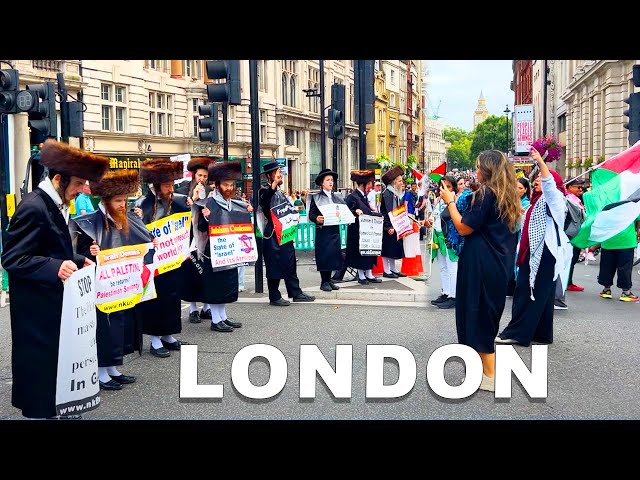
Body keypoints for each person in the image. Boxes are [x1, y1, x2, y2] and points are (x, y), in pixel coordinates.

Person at [1, 139, 109, 419]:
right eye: (77, 184)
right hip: (36, 312)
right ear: (59, 179)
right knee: (41, 373)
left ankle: (60, 407)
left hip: (54, 306)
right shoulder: (33, 207)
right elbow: (12, 259)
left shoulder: (56, 202)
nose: (80, 190)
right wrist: (55, 267)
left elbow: (49, 248)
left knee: (56, 367)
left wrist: (74, 259)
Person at [440, 149, 521, 392]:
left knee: (475, 316)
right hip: (498, 263)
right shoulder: (508, 195)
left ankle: (488, 374)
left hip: (480, 264)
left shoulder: (485, 194)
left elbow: (464, 227)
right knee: (486, 316)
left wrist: (451, 201)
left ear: (487, 170)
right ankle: (485, 372)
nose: (475, 171)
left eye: (478, 166)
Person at [70, 169, 157, 391]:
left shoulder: (128, 218)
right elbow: (76, 253)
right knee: (104, 328)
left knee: (121, 325)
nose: (122, 205)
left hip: (123, 285)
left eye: (125, 200)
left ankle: (113, 368)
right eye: (118, 200)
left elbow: (143, 241)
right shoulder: (88, 222)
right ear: (107, 200)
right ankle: (101, 372)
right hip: (101, 288)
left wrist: (150, 245)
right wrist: (90, 252)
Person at [497, 146, 573, 347]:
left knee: (526, 292)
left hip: (544, 253)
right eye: (537, 177)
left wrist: (540, 162)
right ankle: (541, 334)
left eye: (541, 177)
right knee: (543, 295)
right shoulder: (535, 203)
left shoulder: (555, 199)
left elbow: (549, 184)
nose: (537, 179)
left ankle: (517, 333)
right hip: (537, 252)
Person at [134, 158, 190, 357]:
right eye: (167, 185)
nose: (171, 189)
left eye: (172, 185)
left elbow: (186, 217)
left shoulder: (175, 200)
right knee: (155, 299)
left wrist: (191, 203)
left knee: (172, 296)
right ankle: (156, 340)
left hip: (172, 258)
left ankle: (168, 334)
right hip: (154, 261)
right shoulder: (142, 204)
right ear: (157, 185)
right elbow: (136, 231)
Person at [191, 161, 248, 332]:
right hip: (213, 251)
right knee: (216, 285)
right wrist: (207, 219)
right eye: (226, 185)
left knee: (225, 285)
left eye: (231, 185)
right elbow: (199, 228)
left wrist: (247, 212)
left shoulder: (233, 202)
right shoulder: (208, 203)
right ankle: (215, 320)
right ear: (216, 185)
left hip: (229, 251)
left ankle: (223, 316)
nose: (229, 188)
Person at [257, 161, 315, 306]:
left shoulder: (280, 193)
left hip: (285, 230)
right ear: (270, 175)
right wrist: (274, 185)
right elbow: (265, 201)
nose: (280, 175)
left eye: (280, 172)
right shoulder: (264, 190)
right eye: (277, 172)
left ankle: (295, 292)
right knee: (274, 263)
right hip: (272, 233)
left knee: (290, 261)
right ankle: (274, 296)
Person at [180, 157, 213, 323]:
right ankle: (193, 308)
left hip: (205, 235)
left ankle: (206, 307)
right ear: (194, 175)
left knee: (206, 271)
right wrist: (193, 198)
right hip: (188, 236)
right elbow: (179, 209)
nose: (202, 179)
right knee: (191, 272)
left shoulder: (209, 190)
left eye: (205, 176)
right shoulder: (184, 188)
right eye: (200, 175)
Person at [308, 168, 346, 292]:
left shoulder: (337, 197)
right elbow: (311, 214)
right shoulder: (317, 197)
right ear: (322, 183)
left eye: (332, 180)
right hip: (323, 231)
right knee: (324, 255)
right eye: (328, 180)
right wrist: (316, 218)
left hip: (334, 229)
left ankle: (329, 280)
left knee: (333, 255)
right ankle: (324, 281)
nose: (331, 182)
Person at [344, 169, 383, 285]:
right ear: (363, 183)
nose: (371, 185)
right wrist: (355, 211)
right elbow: (347, 212)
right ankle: (361, 275)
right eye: (370, 183)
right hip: (357, 231)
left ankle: (369, 273)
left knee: (369, 251)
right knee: (360, 252)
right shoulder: (352, 196)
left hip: (368, 229)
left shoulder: (364, 196)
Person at [430, 176, 460, 309]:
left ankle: (454, 296)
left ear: (454, 188)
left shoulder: (456, 202)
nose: (445, 189)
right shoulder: (438, 202)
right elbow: (435, 217)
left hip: (450, 238)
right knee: (443, 267)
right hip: (438, 237)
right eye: (443, 186)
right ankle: (446, 292)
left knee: (452, 268)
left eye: (449, 187)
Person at [379, 165, 406, 278]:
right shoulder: (387, 194)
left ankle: (393, 269)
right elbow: (385, 212)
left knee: (393, 248)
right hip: (388, 226)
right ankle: (386, 270)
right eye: (400, 181)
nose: (401, 183)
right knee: (387, 248)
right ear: (394, 182)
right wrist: (388, 226)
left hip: (396, 225)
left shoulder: (395, 194)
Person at [565, 177, 586, 292]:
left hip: (575, 233)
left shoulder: (576, 199)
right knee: (570, 259)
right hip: (571, 234)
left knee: (573, 258)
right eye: (577, 187)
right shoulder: (569, 199)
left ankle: (569, 281)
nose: (580, 189)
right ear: (569, 187)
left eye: (580, 186)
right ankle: (567, 282)